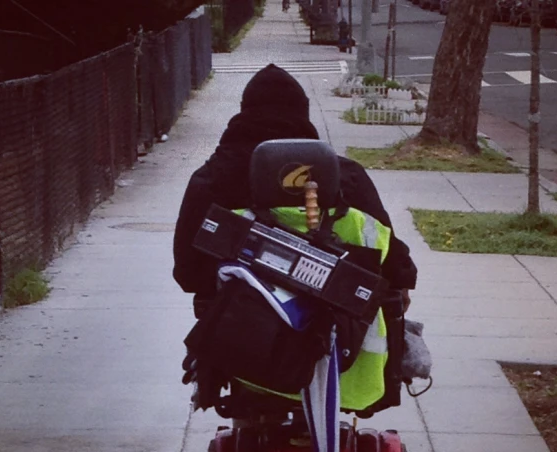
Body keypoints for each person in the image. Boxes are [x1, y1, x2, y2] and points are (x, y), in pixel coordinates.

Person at [173, 64, 417, 314]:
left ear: (246, 111)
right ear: (302, 113)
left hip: (235, 329)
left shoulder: (211, 179)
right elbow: (388, 255)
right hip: (333, 324)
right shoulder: (345, 177)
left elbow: (188, 273)